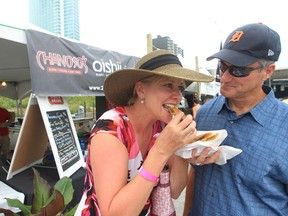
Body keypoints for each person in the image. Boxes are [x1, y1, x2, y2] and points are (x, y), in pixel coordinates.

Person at [79, 50, 221, 215]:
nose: (178, 96)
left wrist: (184, 148)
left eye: (180, 87)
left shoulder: (162, 127)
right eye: (168, 85)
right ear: (141, 90)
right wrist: (161, 151)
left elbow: (175, 189)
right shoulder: (110, 131)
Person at [185, 23, 288, 216]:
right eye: (222, 67)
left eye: (238, 70)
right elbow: (195, 173)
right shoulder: (206, 113)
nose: (224, 77)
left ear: (267, 71)